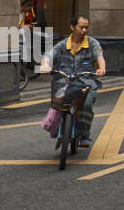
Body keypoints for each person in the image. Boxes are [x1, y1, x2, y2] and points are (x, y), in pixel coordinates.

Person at [36, 15, 106, 147]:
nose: (84, 30)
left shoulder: (92, 43)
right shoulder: (62, 45)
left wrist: (101, 68)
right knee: (57, 103)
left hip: (86, 82)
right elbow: (48, 56)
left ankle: (84, 135)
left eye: (86, 27)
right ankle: (56, 128)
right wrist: (45, 64)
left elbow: (100, 57)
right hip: (64, 81)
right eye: (81, 27)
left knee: (86, 106)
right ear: (72, 27)